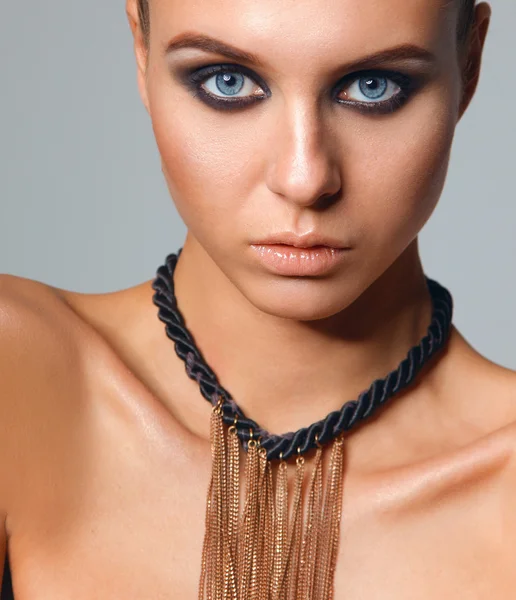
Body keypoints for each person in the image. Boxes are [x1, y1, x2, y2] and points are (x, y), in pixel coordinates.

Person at [2, 0, 515, 597]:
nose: (304, 177)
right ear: (141, 51)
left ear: (470, 61)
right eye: (228, 81)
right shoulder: (23, 379)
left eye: (374, 87)